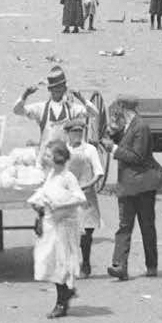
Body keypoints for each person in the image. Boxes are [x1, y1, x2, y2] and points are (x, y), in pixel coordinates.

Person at [104, 95, 162, 281]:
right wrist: (112, 131)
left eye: (118, 109)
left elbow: (137, 156)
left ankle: (151, 265)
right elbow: (115, 137)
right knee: (124, 226)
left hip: (143, 185)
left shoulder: (141, 127)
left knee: (146, 226)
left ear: (124, 108)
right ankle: (120, 265)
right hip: (128, 185)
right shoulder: (127, 126)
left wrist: (113, 149)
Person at [29, 138, 86, 318]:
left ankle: (62, 301)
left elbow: (80, 198)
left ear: (58, 157)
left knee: (60, 263)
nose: (45, 157)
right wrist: (37, 202)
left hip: (64, 227)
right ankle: (66, 292)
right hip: (51, 224)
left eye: (48, 155)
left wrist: (59, 205)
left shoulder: (67, 177)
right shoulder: (52, 174)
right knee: (51, 261)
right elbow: (45, 192)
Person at [65, 114, 106, 277]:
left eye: (80, 131)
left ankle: (86, 263)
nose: (77, 134)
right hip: (68, 197)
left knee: (86, 235)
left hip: (86, 197)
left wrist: (86, 185)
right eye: (74, 132)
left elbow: (98, 173)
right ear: (67, 133)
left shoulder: (90, 150)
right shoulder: (63, 149)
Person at [14, 67, 91, 152]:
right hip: (45, 156)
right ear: (50, 90)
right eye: (55, 89)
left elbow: (93, 113)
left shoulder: (72, 108)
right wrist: (25, 94)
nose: (58, 92)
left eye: (60, 89)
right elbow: (17, 111)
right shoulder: (41, 108)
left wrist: (82, 99)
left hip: (65, 157)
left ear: (65, 89)